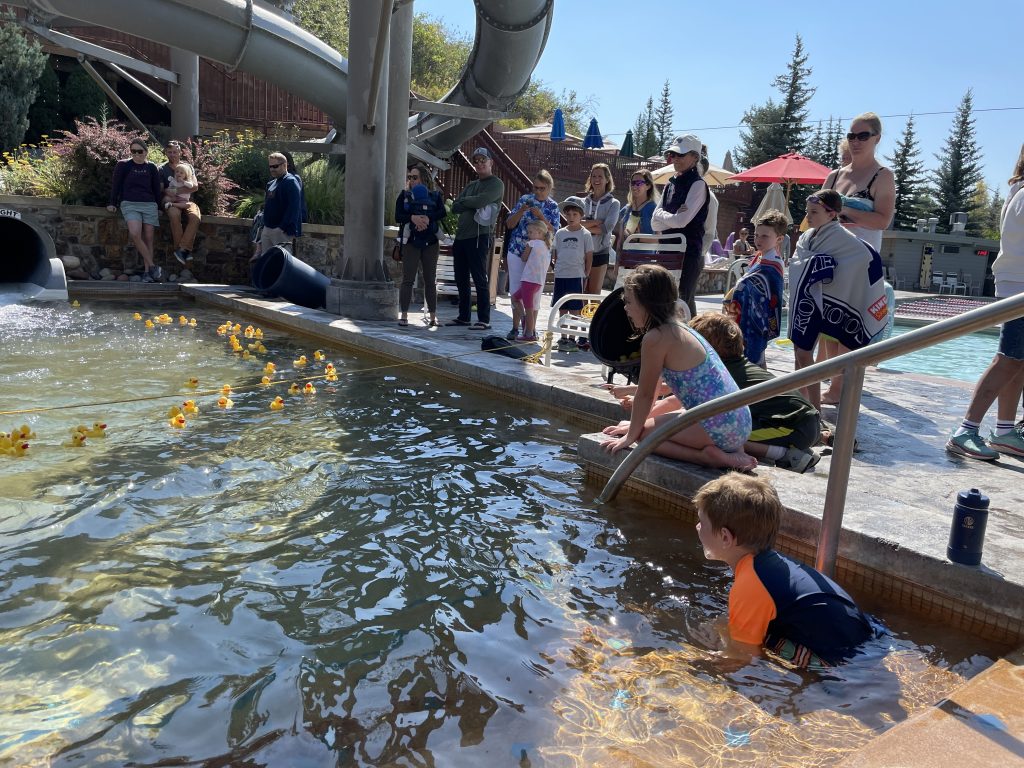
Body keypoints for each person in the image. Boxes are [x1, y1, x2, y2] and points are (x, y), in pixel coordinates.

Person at [693, 473, 873, 667]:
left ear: (725, 538)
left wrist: (691, 662)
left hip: (843, 660)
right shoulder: (766, 565)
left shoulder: (750, 586)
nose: (697, 527)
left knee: (766, 642)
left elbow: (743, 659)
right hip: (864, 637)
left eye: (702, 522)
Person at [600, 264, 755, 471]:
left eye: (628, 302)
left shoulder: (656, 338)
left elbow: (645, 395)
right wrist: (636, 423)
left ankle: (707, 457)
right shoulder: (681, 329)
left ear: (646, 303)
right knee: (645, 425)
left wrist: (632, 434)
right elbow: (655, 390)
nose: (625, 308)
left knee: (644, 435)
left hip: (719, 428)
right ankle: (729, 450)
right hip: (739, 422)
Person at [946, 145, 1024, 460]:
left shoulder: (1017, 190)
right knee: (1008, 359)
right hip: (1020, 287)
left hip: (1015, 283)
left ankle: (1004, 431)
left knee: (1018, 361)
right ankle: (966, 429)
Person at [788, 190, 889, 410]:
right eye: (808, 211)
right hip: (806, 300)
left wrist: (830, 272)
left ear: (831, 213)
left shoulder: (843, 239)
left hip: (823, 302)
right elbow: (798, 260)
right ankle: (800, 402)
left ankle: (812, 409)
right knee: (799, 353)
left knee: (805, 355)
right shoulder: (808, 236)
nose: (809, 216)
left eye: (814, 212)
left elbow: (867, 257)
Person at [689, 313, 821, 472]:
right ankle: (793, 448)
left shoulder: (721, 374)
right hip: (803, 423)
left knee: (721, 435)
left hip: (794, 426)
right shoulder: (741, 366)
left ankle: (785, 454)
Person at [445, 147, 504, 330]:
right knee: (460, 277)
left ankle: (484, 319)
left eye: (483, 160)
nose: (479, 164)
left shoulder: (496, 184)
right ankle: (464, 316)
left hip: (479, 236)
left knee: (479, 277)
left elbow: (477, 202)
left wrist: (468, 202)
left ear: (491, 162)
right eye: (476, 161)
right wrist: (471, 201)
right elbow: (455, 206)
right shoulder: (471, 185)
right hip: (462, 237)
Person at [652, 134, 710, 319]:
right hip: (666, 250)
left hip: (687, 253)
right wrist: (671, 215)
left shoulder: (698, 184)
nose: (675, 159)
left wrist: (664, 216)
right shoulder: (670, 184)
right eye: (673, 155)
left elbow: (681, 222)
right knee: (663, 300)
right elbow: (654, 221)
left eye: (681, 155)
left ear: (694, 157)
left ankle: (691, 345)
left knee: (682, 302)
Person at [821, 112, 896, 254]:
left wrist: (842, 210)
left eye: (863, 136)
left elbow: (882, 222)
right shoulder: (834, 176)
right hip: (826, 260)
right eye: (851, 136)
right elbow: (814, 214)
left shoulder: (883, 176)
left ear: (877, 138)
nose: (856, 141)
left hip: (860, 264)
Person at [722, 210, 787, 367]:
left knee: (754, 350)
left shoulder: (773, 263)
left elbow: (763, 289)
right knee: (752, 352)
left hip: (758, 314)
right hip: (749, 312)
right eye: (757, 235)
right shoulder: (760, 257)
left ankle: (756, 383)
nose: (758, 239)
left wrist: (736, 292)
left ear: (779, 239)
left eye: (765, 236)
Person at [503, 169, 560, 339]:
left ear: (549, 188)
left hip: (538, 256)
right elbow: (509, 224)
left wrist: (541, 216)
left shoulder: (553, 206)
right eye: (535, 187)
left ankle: (531, 329)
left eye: (542, 188)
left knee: (534, 292)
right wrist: (521, 211)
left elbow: (554, 231)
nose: (538, 191)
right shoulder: (524, 199)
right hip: (517, 249)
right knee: (516, 290)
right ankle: (515, 328)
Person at [394, 163, 446, 328]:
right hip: (411, 243)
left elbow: (442, 212)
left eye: (415, 177)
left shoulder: (435, 196)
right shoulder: (404, 195)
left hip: (430, 242)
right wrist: (413, 218)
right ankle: (403, 315)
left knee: (430, 280)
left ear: (424, 178)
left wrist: (427, 218)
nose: (411, 180)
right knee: (408, 279)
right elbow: (398, 216)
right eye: (410, 177)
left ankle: (432, 316)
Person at [107, 137, 163, 282]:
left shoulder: (152, 167)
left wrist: (159, 207)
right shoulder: (123, 165)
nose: (136, 154)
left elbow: (157, 189)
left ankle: (147, 273)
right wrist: (112, 202)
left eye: (139, 151)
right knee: (135, 233)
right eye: (133, 151)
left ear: (146, 151)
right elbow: (116, 185)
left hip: (149, 204)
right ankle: (152, 266)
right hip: (130, 203)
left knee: (149, 238)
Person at [551, 196, 593, 352]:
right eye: (568, 214)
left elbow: (589, 256)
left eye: (575, 214)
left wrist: (586, 274)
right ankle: (563, 338)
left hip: (576, 275)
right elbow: (555, 252)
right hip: (561, 275)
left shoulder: (585, 234)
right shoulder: (560, 233)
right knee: (562, 307)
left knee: (575, 308)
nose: (571, 217)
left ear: (581, 215)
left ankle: (573, 339)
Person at [158, 140, 201, 266]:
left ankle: (182, 249)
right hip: (171, 202)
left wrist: (175, 190)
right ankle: (182, 250)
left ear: (180, 152)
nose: (172, 155)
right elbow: (162, 190)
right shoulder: (161, 169)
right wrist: (172, 192)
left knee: (195, 216)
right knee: (174, 215)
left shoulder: (188, 167)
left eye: (175, 152)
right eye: (169, 152)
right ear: (166, 153)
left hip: (187, 200)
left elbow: (195, 187)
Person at [581, 163, 620, 297]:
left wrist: (586, 225)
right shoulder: (583, 201)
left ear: (607, 179)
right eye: (594, 176)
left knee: (593, 294)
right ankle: (578, 319)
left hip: (600, 252)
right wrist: (596, 222)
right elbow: (576, 224)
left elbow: (606, 228)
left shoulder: (614, 203)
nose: (596, 179)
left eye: (600, 176)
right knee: (580, 292)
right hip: (581, 251)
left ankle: (592, 319)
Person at [510, 220, 552, 342]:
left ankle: (529, 334)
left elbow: (523, 258)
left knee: (528, 307)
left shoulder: (532, 243)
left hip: (528, 280)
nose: (528, 234)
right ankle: (525, 321)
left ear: (539, 232)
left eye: (530, 232)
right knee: (516, 298)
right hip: (538, 282)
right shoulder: (546, 246)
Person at [258, 152, 303, 258]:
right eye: (270, 166)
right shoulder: (272, 183)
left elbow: (294, 208)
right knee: (267, 262)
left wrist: (282, 227)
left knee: (282, 262)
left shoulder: (291, 182)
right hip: (268, 229)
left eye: (275, 166)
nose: (272, 169)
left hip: (281, 231)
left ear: (284, 165)